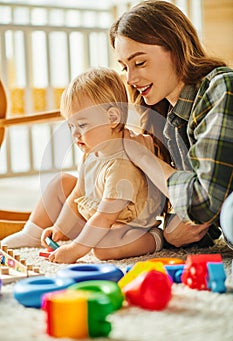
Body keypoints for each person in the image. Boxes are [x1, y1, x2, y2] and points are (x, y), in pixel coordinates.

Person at [1, 67, 164, 263]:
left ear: (112, 118)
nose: (75, 134)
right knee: (61, 182)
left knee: (103, 249)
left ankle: (155, 239)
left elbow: (105, 217)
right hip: (98, 216)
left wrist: (76, 250)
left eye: (83, 125)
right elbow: (78, 194)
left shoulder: (122, 165)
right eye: (71, 126)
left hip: (127, 225)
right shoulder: (92, 152)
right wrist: (59, 228)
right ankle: (32, 232)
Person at [109, 0, 233, 248]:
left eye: (140, 63)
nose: (131, 78)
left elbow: (203, 204)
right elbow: (191, 215)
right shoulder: (165, 119)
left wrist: (145, 157)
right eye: (125, 67)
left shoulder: (221, 86)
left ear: (175, 49)